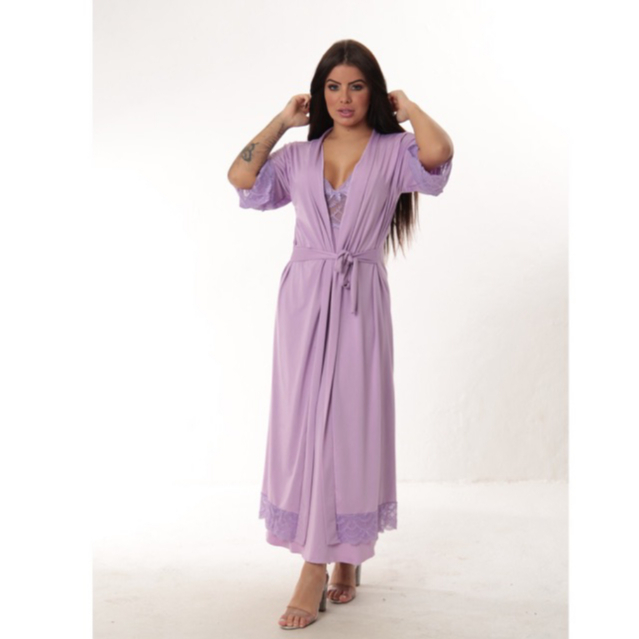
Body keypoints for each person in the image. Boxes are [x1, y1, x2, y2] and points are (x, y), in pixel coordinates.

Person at [227, 39, 454, 630]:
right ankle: (333, 556)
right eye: (333, 86)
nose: (344, 97)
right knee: (306, 426)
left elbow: (439, 153)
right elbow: (241, 176)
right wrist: (282, 121)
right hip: (303, 304)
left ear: (374, 92)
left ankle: (325, 562)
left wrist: (410, 108)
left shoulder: (394, 150)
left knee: (349, 426)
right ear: (319, 93)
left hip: (359, 302)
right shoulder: (299, 158)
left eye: (356, 86)